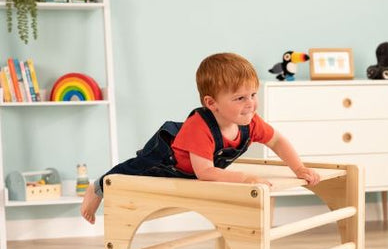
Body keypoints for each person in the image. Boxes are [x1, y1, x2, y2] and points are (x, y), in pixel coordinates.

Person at [81, 52, 321, 224]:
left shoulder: (250, 122)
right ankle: (97, 188)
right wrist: (244, 178)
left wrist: (298, 168)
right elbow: (205, 173)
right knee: (130, 171)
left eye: (253, 94)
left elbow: (277, 141)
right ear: (211, 103)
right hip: (168, 159)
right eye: (240, 98)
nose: (251, 104)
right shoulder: (200, 127)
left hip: (196, 165)